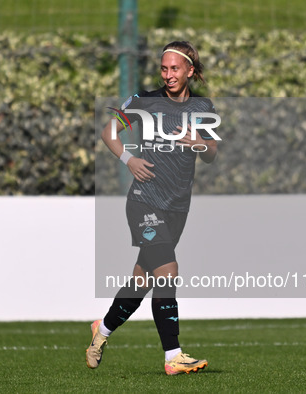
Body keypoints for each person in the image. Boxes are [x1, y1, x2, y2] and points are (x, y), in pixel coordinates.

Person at [87, 41, 218, 375]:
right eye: (164, 68)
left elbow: (213, 152)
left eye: (175, 69)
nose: (169, 74)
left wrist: (199, 142)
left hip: (177, 208)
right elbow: (108, 132)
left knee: (141, 283)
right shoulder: (144, 100)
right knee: (168, 273)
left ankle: (101, 331)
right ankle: (173, 356)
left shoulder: (203, 106)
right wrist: (128, 159)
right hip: (144, 202)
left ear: (190, 70)